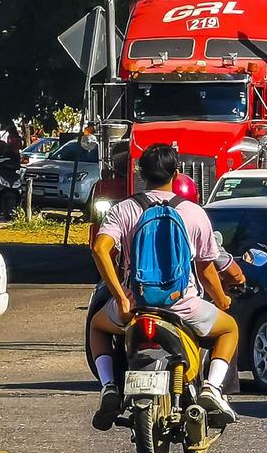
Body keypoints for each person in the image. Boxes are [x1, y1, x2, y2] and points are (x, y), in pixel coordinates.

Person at [87, 144, 240, 430]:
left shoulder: (124, 209)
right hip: (183, 307)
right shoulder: (194, 213)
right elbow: (207, 269)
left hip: (136, 306)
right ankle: (212, 389)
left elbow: (99, 248)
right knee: (229, 328)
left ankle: (109, 386)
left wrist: (121, 297)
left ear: (140, 173)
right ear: (177, 173)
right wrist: (222, 299)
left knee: (97, 326)